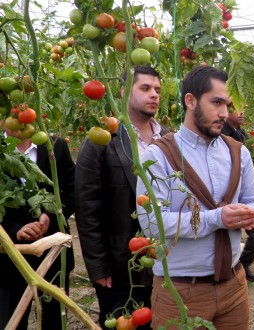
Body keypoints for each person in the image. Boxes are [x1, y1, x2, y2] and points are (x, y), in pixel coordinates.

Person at [137, 66, 254, 329]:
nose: (224, 114)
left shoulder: (238, 152)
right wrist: (217, 218)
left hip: (233, 285)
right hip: (181, 291)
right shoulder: (158, 156)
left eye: (227, 105)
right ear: (190, 101)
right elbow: (151, 222)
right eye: (216, 103)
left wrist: (249, 213)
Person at [75, 65, 165, 328]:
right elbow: (86, 208)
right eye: (145, 88)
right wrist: (98, 267)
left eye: (157, 90)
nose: (154, 95)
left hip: (163, 262)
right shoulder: (102, 139)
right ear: (125, 92)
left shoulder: (169, 140)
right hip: (119, 264)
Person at [0, 121, 75, 330]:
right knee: (10, 320)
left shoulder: (55, 146)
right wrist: (15, 229)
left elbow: (72, 191)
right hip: (9, 256)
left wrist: (50, 215)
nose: (19, 117)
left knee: (54, 320)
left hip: (52, 254)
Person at [221, 106, 254, 282]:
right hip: (227, 196)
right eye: (234, 108)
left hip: (241, 193)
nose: (240, 112)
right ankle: (237, 265)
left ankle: (242, 263)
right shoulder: (222, 134)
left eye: (243, 109)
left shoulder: (241, 133)